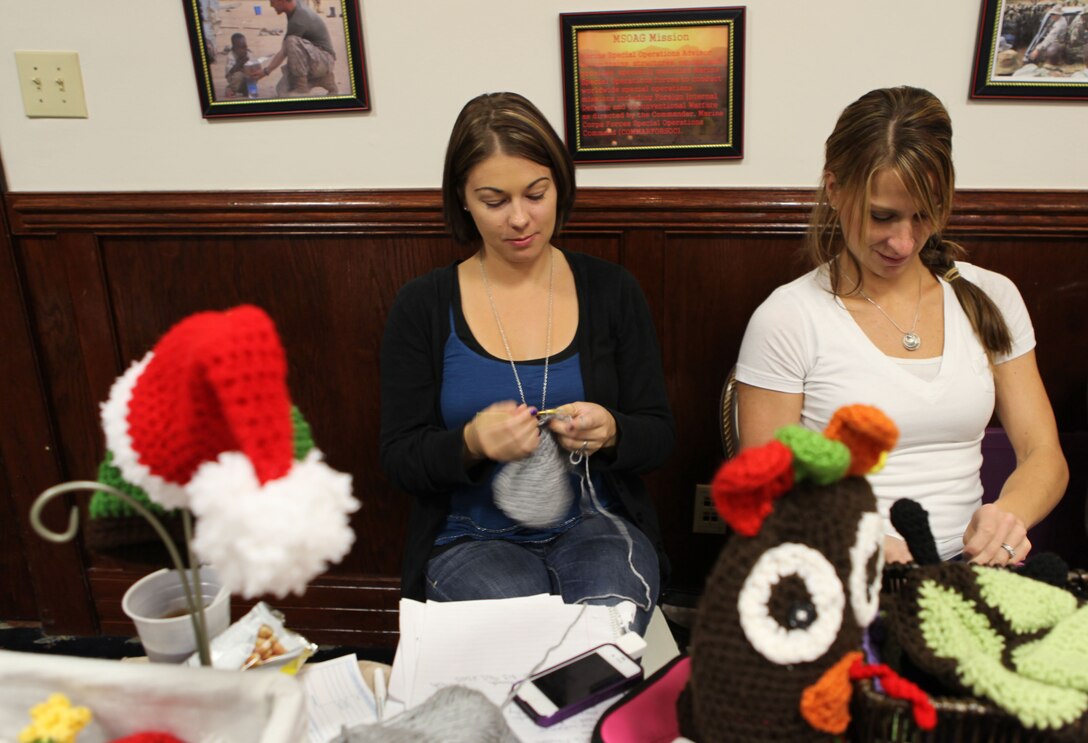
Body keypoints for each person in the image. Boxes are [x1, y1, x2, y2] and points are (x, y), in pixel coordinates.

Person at [735, 86, 1067, 566]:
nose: (904, 242)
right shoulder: (788, 317)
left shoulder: (991, 296)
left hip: (964, 570)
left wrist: (1009, 516)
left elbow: (1044, 455)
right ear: (834, 189)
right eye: (882, 217)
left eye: (924, 216)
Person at [379, 92, 674, 634]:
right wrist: (470, 443)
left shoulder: (611, 291)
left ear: (559, 185)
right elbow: (399, 458)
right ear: (463, 200)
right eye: (494, 201)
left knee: (599, 637)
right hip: (467, 538)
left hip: (597, 524)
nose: (520, 219)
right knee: (525, 640)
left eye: (536, 194)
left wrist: (611, 432)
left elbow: (658, 434)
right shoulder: (423, 305)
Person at [249, 0, 337, 96]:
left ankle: (302, 87)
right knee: (281, 91)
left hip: (324, 60)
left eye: (273, 1)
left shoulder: (298, 18)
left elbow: (284, 51)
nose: (271, 5)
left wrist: (266, 71)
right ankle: (323, 79)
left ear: (282, 1)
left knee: (291, 41)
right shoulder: (294, 7)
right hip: (313, 58)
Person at [224, 33, 252, 98]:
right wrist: (239, 62)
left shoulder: (248, 54)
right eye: (241, 48)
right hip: (234, 78)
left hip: (245, 78)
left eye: (245, 47)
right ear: (234, 48)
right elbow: (231, 71)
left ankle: (246, 90)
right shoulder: (231, 56)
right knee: (239, 75)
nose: (244, 50)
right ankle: (230, 89)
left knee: (253, 74)